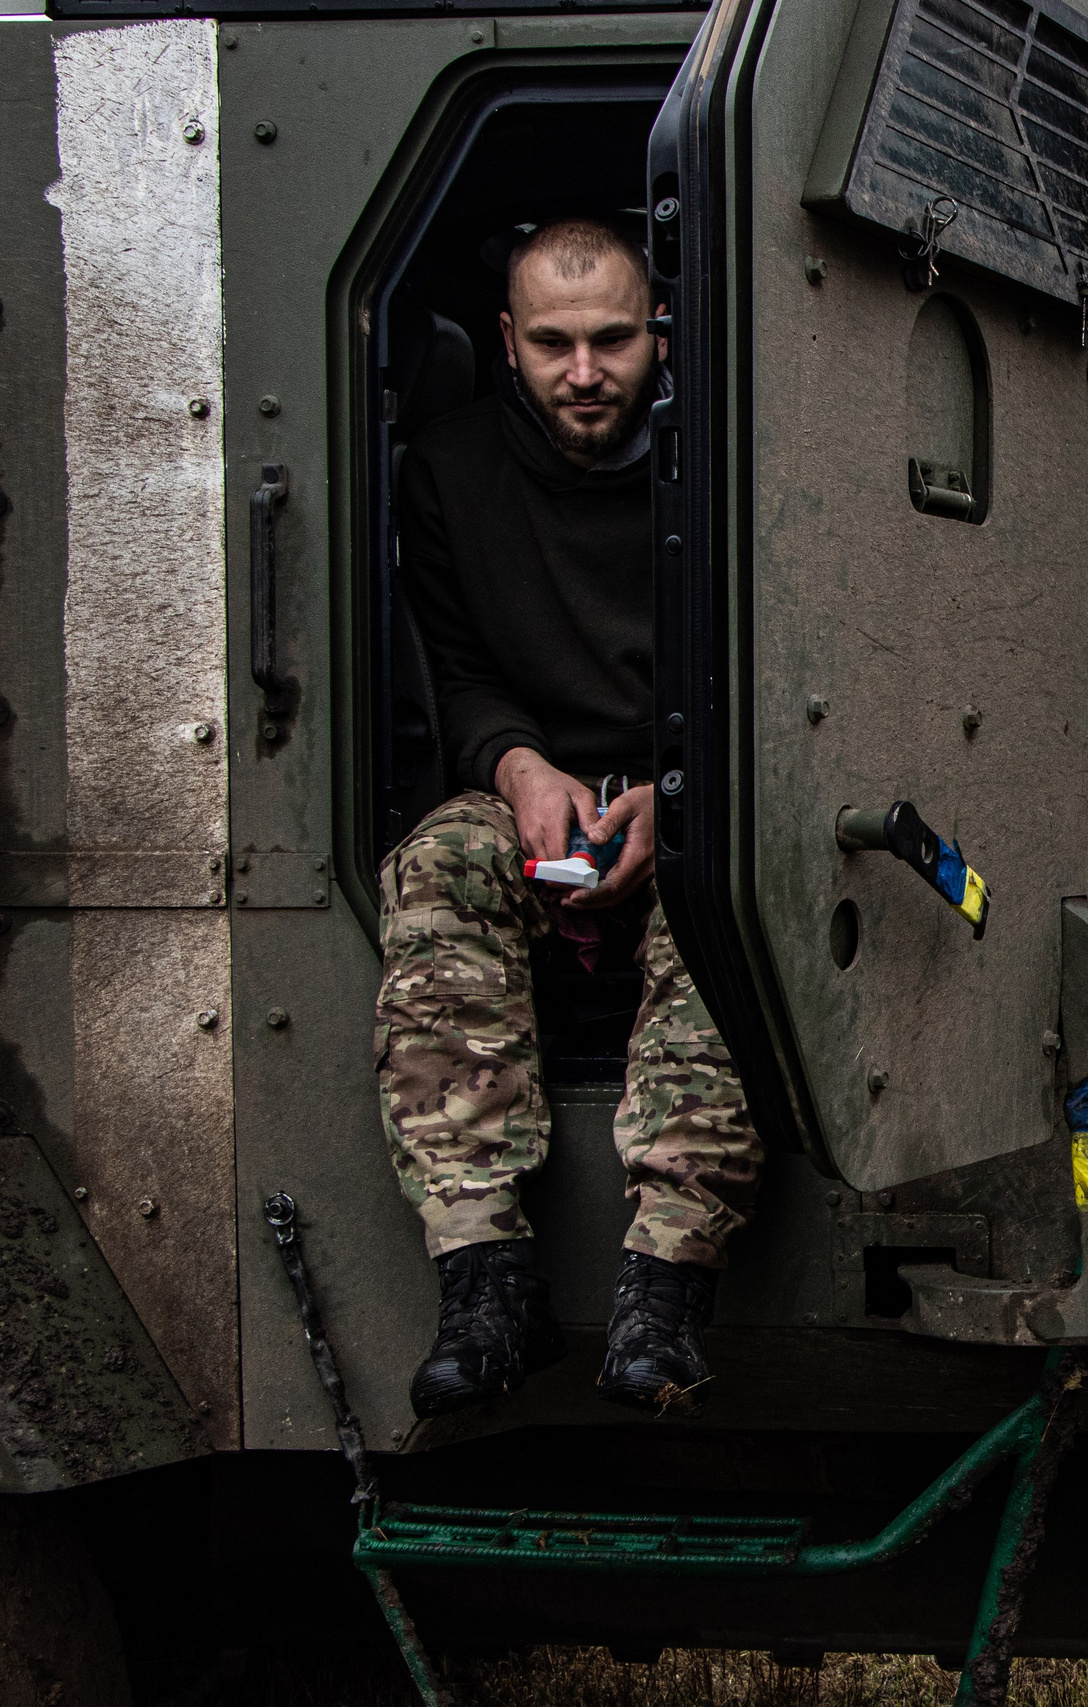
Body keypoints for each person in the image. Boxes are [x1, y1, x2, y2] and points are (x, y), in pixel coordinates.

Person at [380, 216, 759, 1420]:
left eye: (610, 341)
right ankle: (487, 1279)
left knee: (731, 900)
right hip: (530, 789)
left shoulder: (734, 460)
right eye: (552, 344)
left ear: (659, 334)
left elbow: (776, 671)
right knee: (436, 866)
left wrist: (682, 787)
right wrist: (517, 767)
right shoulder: (446, 469)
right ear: (507, 340)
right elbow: (449, 670)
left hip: (702, 791)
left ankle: (663, 1287)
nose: (584, 373)